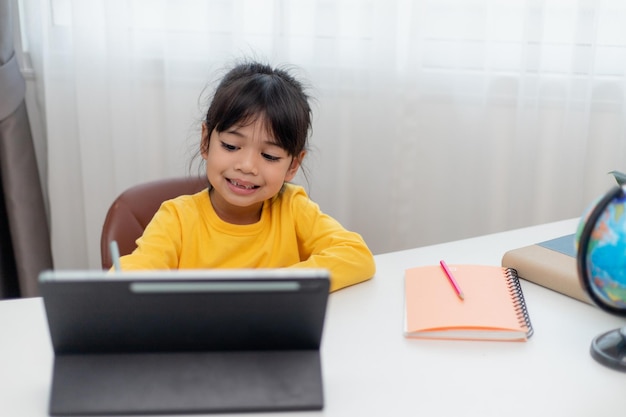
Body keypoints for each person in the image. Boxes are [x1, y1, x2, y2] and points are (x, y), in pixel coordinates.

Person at [118, 60, 376, 292]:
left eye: (270, 156)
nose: (247, 166)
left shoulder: (293, 208)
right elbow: (132, 278)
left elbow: (356, 255)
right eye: (231, 146)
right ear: (206, 141)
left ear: (293, 165)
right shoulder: (176, 219)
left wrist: (268, 286)